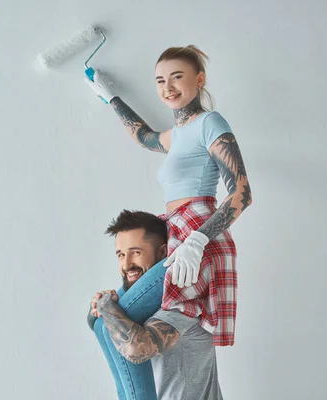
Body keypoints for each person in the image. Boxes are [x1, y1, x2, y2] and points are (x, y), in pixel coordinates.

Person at [85, 45, 252, 398]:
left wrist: (198, 240)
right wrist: (110, 97)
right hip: (178, 234)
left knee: (110, 321)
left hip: (199, 236)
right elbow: (144, 136)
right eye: (160, 80)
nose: (168, 87)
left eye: (177, 76)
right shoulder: (176, 136)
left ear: (199, 79)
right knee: (104, 324)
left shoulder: (210, 122)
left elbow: (241, 192)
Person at [88, 210, 224, 400]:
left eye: (136, 252)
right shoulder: (134, 307)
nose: (127, 264)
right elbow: (99, 325)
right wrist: (102, 306)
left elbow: (137, 349)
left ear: (162, 252)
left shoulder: (182, 304)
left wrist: (105, 308)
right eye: (120, 255)